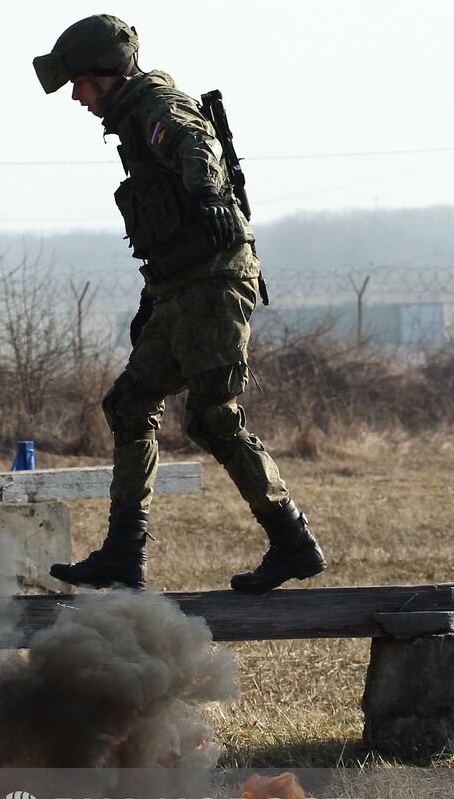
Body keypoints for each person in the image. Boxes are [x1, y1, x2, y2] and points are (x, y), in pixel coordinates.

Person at [34, 15, 325, 594]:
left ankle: (291, 541)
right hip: (180, 286)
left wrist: (211, 193)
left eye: (79, 84)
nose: (76, 97)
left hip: (213, 281)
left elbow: (197, 143)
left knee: (212, 417)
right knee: (128, 403)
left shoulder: (155, 108)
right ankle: (124, 552)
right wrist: (154, 294)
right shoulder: (133, 120)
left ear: (106, 74)